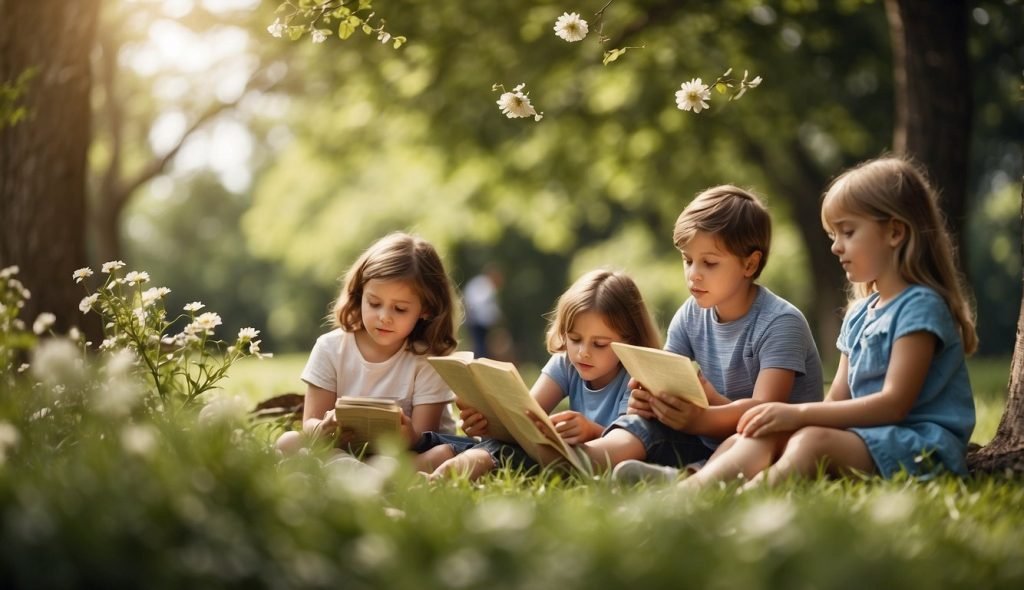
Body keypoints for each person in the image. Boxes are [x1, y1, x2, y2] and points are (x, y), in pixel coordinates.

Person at [679, 157, 977, 488]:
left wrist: (800, 414)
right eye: (834, 234)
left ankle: (748, 499)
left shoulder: (920, 307)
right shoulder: (860, 314)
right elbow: (837, 399)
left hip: (919, 446)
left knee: (811, 443)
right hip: (869, 439)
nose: (836, 247)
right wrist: (787, 422)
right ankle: (692, 489)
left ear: (894, 232)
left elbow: (894, 404)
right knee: (768, 433)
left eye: (848, 232)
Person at [591, 185, 824, 481]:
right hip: (707, 436)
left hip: (773, 444)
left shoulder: (780, 322)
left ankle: (686, 479)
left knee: (749, 440)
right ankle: (583, 458)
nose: (693, 274)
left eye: (710, 263)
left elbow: (765, 412)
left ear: (749, 264)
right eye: (688, 260)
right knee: (643, 426)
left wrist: (705, 412)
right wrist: (650, 400)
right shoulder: (691, 314)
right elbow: (663, 375)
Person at [417, 269, 661, 480]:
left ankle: (451, 470)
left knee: (492, 453)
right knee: (450, 444)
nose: (583, 353)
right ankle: (419, 470)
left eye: (599, 344)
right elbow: (525, 418)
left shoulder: (637, 380)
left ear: (630, 340)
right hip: (555, 453)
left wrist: (592, 430)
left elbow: (632, 441)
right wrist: (488, 423)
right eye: (574, 339)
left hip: (591, 461)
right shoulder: (567, 362)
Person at [275, 232, 460, 455]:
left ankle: (355, 473)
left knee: (440, 454)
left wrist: (408, 434)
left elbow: (423, 439)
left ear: (426, 310)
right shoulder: (330, 348)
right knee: (288, 441)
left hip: (402, 457)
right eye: (374, 303)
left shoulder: (427, 360)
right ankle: (358, 473)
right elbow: (310, 423)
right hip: (345, 448)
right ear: (359, 294)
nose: (384, 317)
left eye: (400, 309)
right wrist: (323, 428)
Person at [463, 264, 504, 358]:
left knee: (481, 345)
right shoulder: (486, 286)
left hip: (476, 321)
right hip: (477, 321)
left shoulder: (480, 283)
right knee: (480, 346)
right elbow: (482, 306)